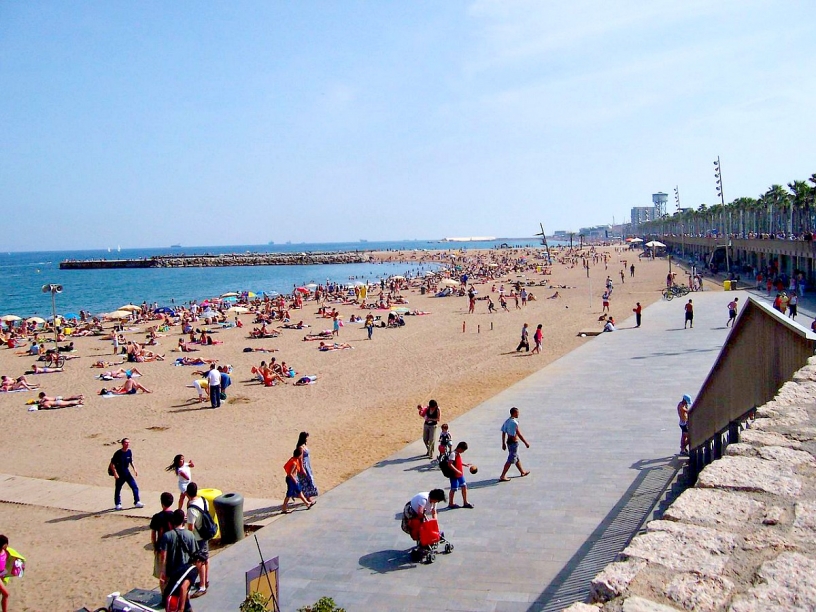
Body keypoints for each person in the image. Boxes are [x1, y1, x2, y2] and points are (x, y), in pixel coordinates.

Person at [158, 509, 199, 610]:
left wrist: (162, 571)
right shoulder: (190, 535)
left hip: (172, 572)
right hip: (185, 571)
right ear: (183, 520)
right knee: (185, 598)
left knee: (172, 598)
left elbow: (163, 556)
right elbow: (194, 555)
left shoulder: (167, 536)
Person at [185, 483, 210, 596]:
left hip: (198, 537)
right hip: (206, 533)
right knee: (206, 557)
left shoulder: (191, 509)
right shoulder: (204, 500)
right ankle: (205, 581)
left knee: (199, 561)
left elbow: (190, 527)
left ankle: (202, 587)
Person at [110, 438, 143, 510]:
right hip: (119, 474)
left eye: (128, 443)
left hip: (127, 473)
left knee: (134, 487)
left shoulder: (129, 452)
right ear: (122, 444)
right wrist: (115, 473)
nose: (127, 444)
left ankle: (137, 501)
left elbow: (131, 461)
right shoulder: (118, 453)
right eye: (126, 443)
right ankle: (118, 504)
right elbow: (112, 464)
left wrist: (135, 469)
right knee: (118, 489)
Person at [150, 492, 175, 586]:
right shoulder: (174, 515)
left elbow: (153, 535)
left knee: (162, 574)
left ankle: (164, 596)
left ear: (161, 502)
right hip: (174, 547)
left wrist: (155, 547)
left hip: (161, 548)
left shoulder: (157, 517)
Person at [499, 407, 530, 481]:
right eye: (517, 412)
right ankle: (502, 476)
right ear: (514, 413)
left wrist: (503, 443)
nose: (518, 414)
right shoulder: (514, 423)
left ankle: (522, 472)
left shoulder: (507, 421)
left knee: (516, 457)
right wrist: (526, 443)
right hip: (513, 443)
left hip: (509, 443)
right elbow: (518, 434)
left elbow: (503, 432)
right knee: (510, 460)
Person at [282, 448, 315, 514]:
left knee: (299, 491)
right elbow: (290, 473)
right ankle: (284, 509)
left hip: (292, 479)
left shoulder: (293, 459)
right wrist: (295, 480)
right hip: (292, 480)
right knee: (289, 494)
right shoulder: (294, 463)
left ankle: (307, 503)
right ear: (299, 455)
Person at [447, 441, 474, 509]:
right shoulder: (453, 454)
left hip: (459, 474)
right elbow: (450, 464)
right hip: (454, 475)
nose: (463, 452)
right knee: (453, 489)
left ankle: (465, 502)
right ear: (460, 448)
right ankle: (451, 503)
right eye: (463, 450)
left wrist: (464, 464)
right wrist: (457, 471)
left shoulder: (457, 453)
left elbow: (458, 462)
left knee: (464, 486)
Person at [295, 432, 319, 502]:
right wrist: (302, 469)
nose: (307, 439)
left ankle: (308, 497)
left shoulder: (304, 445)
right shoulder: (300, 448)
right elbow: (300, 459)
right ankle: (308, 498)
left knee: (309, 480)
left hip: (307, 465)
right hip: (304, 466)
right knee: (306, 481)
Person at [0, 534, 10, 612]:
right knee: (6, 594)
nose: (7, 545)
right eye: (6, 544)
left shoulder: (5, 551)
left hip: (2, 574)